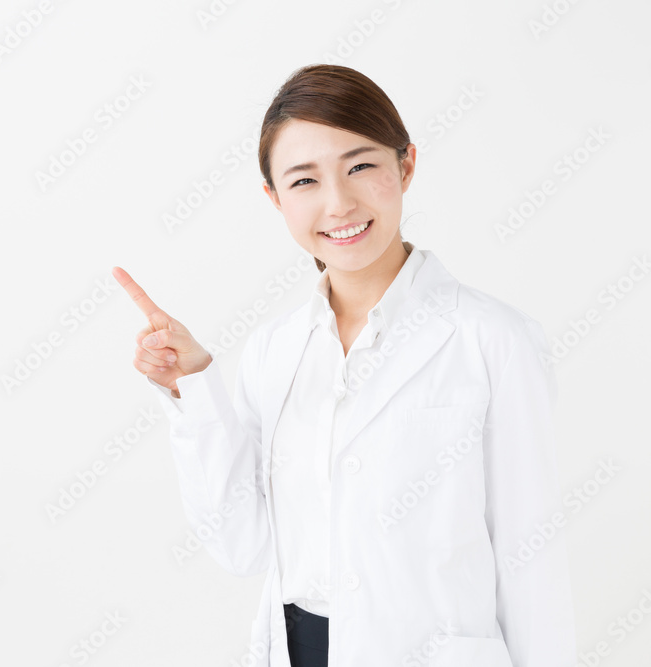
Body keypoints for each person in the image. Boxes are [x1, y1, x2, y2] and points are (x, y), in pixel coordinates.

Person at [112, 64, 576, 667]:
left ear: (406, 165)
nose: (339, 203)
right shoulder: (273, 351)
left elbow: (530, 559)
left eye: (360, 166)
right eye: (304, 181)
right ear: (274, 199)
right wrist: (194, 389)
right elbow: (243, 546)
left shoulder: (494, 340)